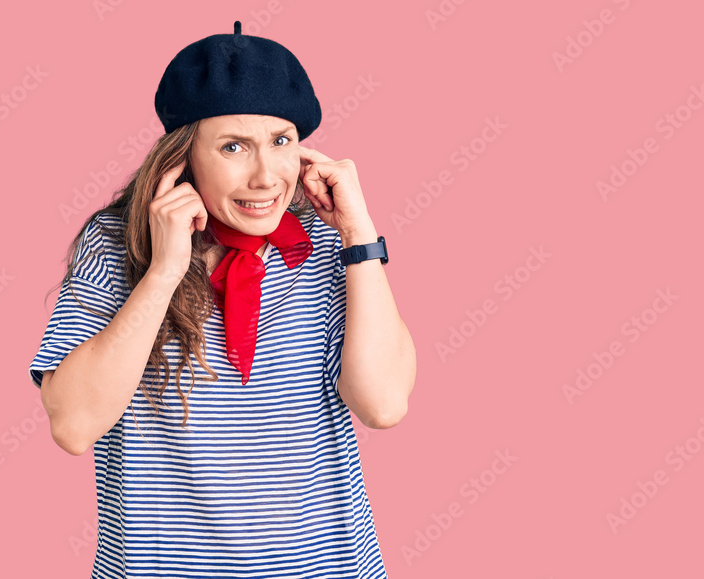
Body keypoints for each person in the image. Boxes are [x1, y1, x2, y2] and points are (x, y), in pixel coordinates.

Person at [27, 20, 415, 578]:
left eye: (281, 142)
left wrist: (359, 235)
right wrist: (163, 272)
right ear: (182, 159)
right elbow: (73, 424)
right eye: (234, 147)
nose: (266, 177)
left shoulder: (327, 241)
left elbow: (383, 405)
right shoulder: (114, 243)